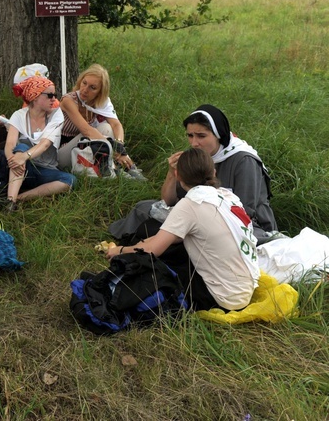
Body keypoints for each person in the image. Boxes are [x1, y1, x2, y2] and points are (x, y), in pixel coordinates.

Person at [106, 148, 260, 311]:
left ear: (178, 176)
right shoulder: (228, 197)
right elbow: (176, 236)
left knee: (150, 262)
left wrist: (120, 250)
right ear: (214, 173)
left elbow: (152, 251)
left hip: (222, 297)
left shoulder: (191, 204)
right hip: (245, 290)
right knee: (156, 233)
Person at [110, 104, 278, 244]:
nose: (194, 143)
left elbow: (245, 212)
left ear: (219, 134)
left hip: (241, 224)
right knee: (144, 208)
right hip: (201, 215)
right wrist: (172, 173)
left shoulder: (243, 160)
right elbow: (169, 201)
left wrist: (194, 220)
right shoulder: (197, 156)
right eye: (190, 136)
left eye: (201, 136)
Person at [57, 64, 144, 179]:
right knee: (93, 133)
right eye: (84, 83)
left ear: (100, 92)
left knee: (106, 128)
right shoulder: (68, 100)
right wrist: (117, 152)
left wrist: (120, 147)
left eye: (92, 88)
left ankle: (114, 168)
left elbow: (116, 125)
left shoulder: (102, 102)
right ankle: (118, 167)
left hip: (84, 148)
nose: (85, 90)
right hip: (62, 154)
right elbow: (86, 130)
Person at [4, 75, 75, 210]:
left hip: (45, 169)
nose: (54, 98)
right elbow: (10, 144)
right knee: (21, 147)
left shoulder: (56, 114)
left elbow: (45, 144)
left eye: (55, 94)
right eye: (49, 95)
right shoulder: (19, 115)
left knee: (70, 180)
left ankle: (21, 197)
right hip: (22, 167)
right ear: (35, 96)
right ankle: (10, 201)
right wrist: (12, 160)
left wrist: (23, 157)